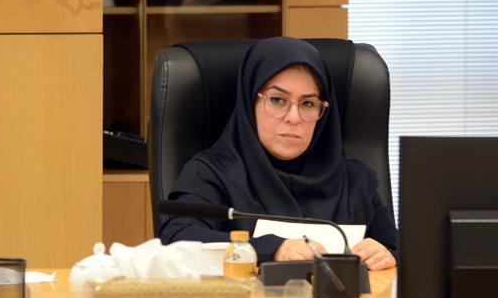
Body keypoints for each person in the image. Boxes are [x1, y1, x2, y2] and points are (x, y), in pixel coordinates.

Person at [159, 36, 397, 270]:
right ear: (250, 102)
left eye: (308, 103)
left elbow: (400, 249)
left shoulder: (353, 181)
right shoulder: (210, 174)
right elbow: (177, 240)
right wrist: (270, 250)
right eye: (277, 100)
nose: (293, 117)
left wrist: (387, 254)